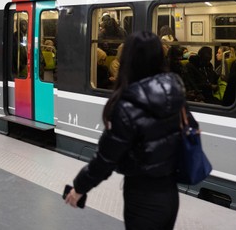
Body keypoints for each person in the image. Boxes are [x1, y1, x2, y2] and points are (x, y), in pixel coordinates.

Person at [65, 30, 198, 229]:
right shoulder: (175, 91)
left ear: (128, 59)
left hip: (142, 198)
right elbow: (189, 129)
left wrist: (79, 188)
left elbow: (106, 158)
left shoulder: (127, 105)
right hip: (170, 194)